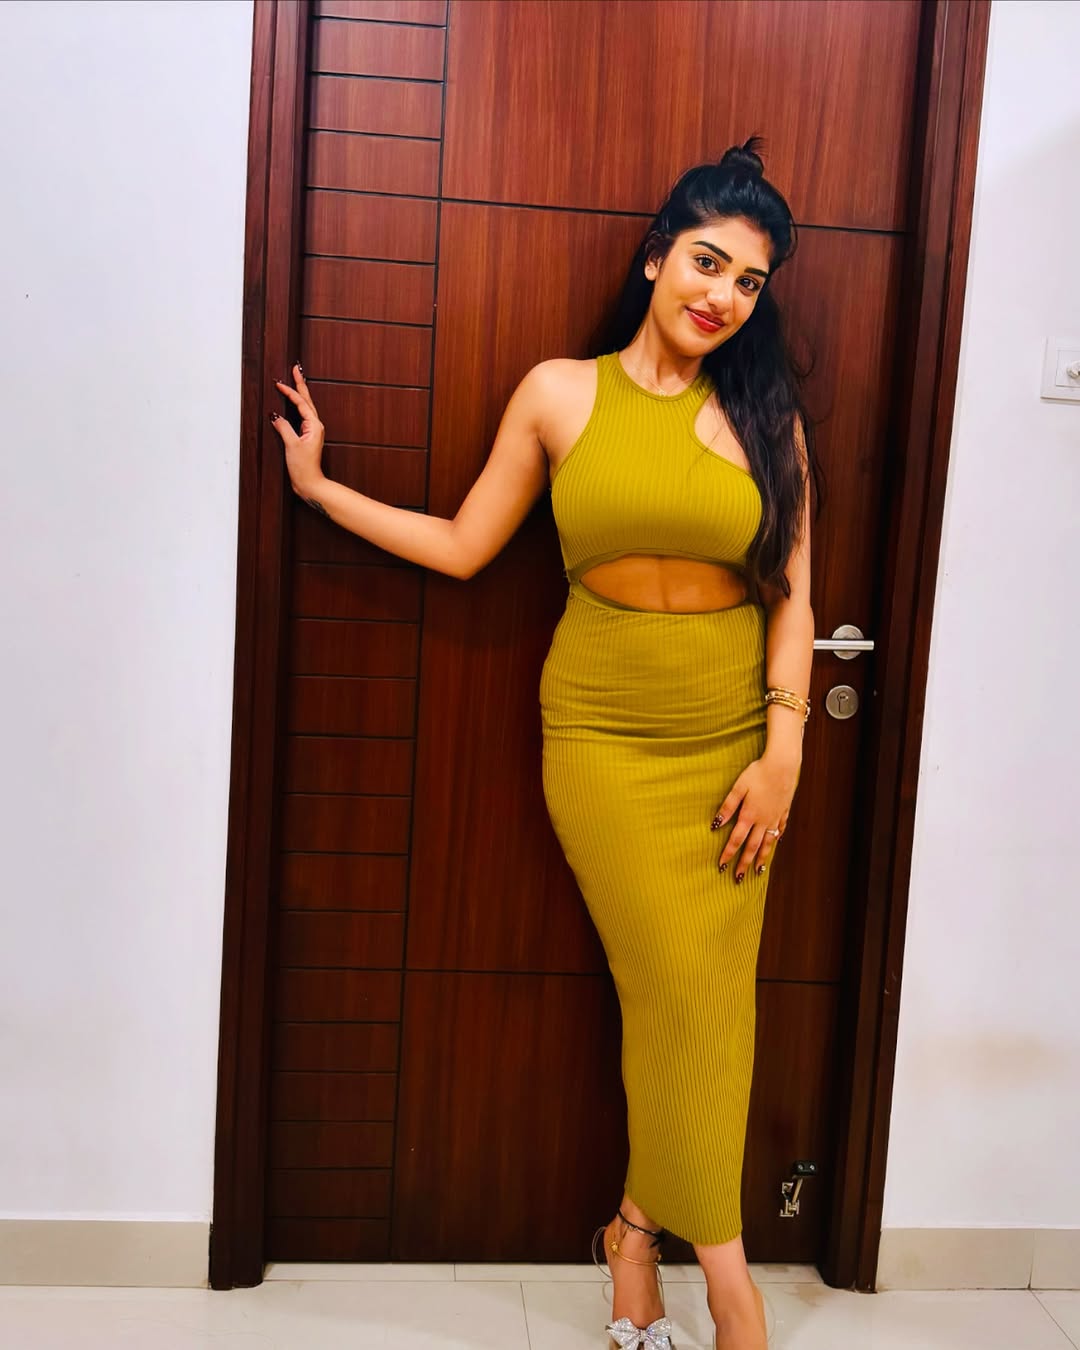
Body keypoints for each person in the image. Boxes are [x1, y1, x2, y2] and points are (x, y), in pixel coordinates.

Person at [270, 138, 818, 1350]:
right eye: (707, 262)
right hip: (603, 738)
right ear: (655, 258)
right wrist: (320, 491)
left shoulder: (766, 416)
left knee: (707, 1000)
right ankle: (730, 1282)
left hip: (734, 741)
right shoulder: (559, 393)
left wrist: (785, 752)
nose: (723, 296)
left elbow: (793, 600)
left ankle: (634, 1233)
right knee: (668, 986)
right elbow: (466, 545)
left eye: (749, 281)